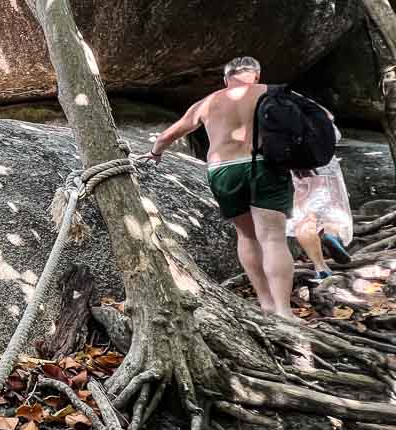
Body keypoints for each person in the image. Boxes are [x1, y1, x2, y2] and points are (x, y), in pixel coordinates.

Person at [148, 56, 297, 319]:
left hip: (223, 171)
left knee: (248, 236)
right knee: (272, 237)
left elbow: (167, 136)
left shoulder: (208, 102)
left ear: (226, 79)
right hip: (264, 165)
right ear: (257, 76)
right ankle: (285, 313)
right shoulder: (272, 93)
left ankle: (266, 304)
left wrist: (155, 153)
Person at [287, 125, 353, 280]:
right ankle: (330, 234)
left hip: (292, 168)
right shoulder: (310, 105)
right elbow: (335, 134)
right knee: (331, 210)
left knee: (303, 217)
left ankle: (320, 267)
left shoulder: (269, 107)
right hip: (324, 166)